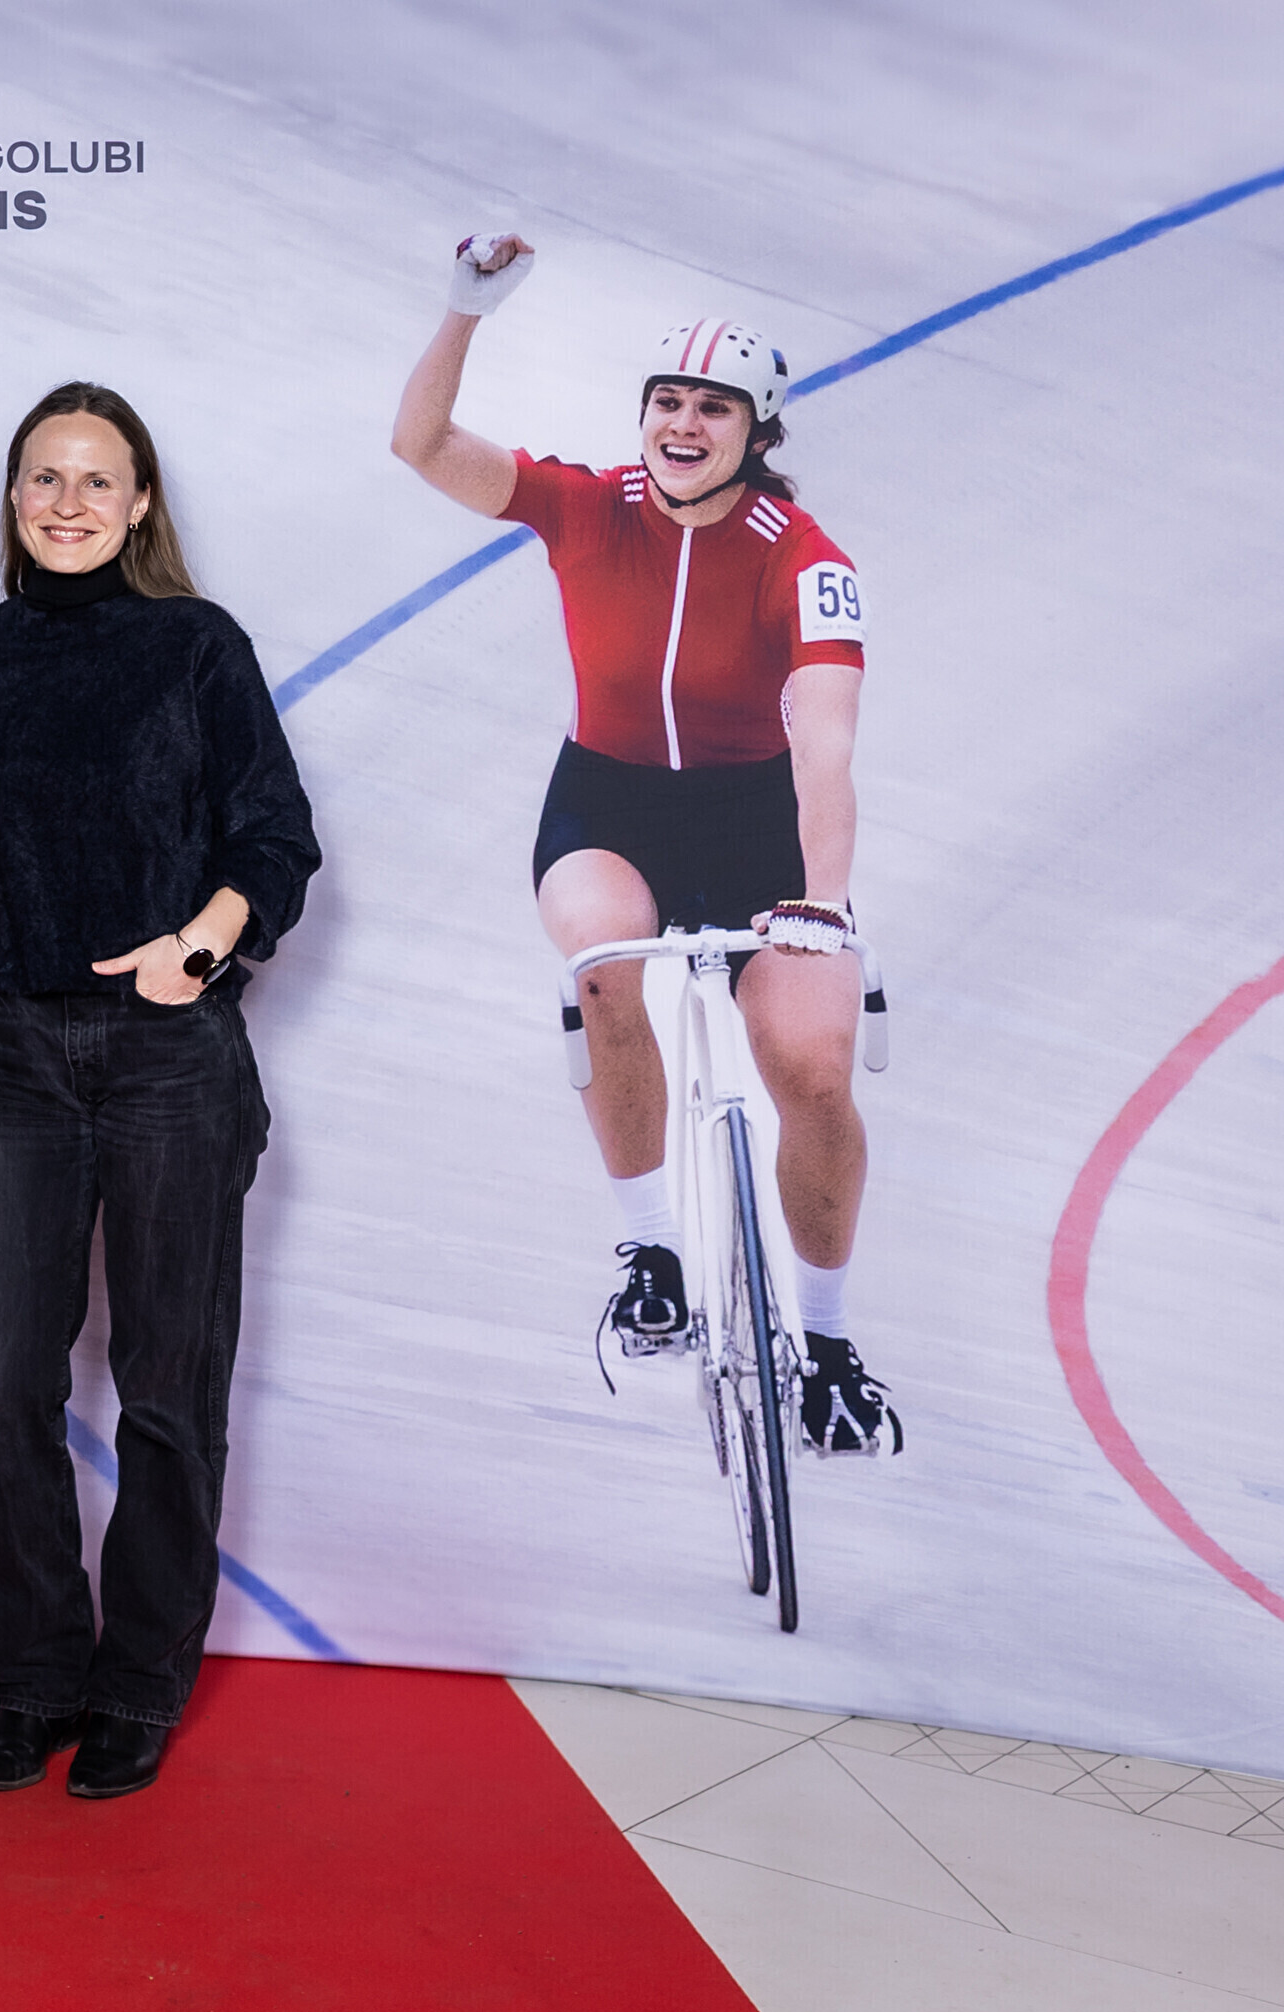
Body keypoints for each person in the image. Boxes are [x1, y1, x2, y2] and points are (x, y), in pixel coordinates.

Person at [390, 233, 899, 1455]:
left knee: (813, 1069)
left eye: (711, 407)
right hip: (608, 809)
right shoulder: (585, 505)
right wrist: (464, 310)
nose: (682, 422)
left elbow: (826, 745)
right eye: (666, 400)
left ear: (755, 433)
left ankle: (829, 1343)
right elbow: (422, 444)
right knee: (603, 964)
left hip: (759, 827)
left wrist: (824, 901)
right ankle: (653, 1253)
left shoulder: (806, 560)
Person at [0, 384, 320, 1800]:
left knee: (167, 1382)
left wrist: (196, 947)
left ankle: (141, 1683)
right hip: (16, 1054)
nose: (70, 503)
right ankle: (37, 1681)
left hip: (168, 1054)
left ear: (141, 502)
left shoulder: (198, 645)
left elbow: (277, 837)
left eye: (100, 479)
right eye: (46, 477)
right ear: (12, 496)